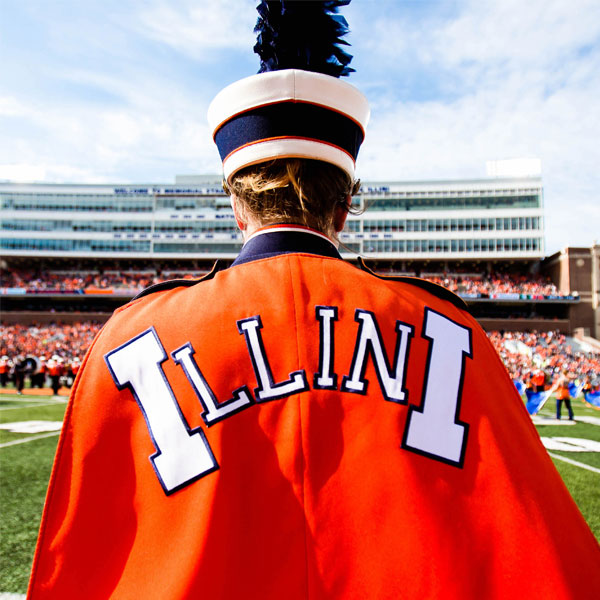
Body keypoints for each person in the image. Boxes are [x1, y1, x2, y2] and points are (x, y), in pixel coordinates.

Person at [28, 2, 600, 599]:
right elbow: (542, 557)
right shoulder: (451, 332)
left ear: (236, 206)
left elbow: (81, 562)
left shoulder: (129, 337)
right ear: (345, 207)